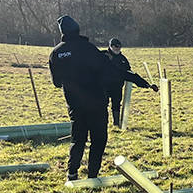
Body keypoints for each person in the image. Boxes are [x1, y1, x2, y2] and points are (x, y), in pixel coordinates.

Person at [49, 16, 157, 180]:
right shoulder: (90, 49)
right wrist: (138, 81)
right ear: (77, 30)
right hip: (96, 103)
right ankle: (93, 175)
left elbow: (56, 82)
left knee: (77, 139)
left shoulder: (56, 53)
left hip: (74, 104)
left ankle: (72, 173)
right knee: (98, 140)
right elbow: (111, 72)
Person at [104, 38, 150, 126]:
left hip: (117, 86)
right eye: (115, 47)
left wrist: (146, 84)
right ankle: (103, 123)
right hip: (103, 86)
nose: (117, 49)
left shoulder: (122, 59)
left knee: (116, 104)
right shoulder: (103, 55)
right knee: (103, 105)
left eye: (119, 47)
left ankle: (116, 123)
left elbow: (129, 73)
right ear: (110, 46)